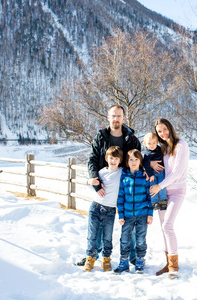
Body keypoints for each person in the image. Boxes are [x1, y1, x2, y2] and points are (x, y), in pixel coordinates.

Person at [76, 104, 141, 267]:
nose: (116, 119)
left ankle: (132, 256)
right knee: (97, 226)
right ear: (108, 117)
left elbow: (138, 161)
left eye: (119, 116)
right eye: (113, 116)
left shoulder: (131, 139)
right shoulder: (101, 137)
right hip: (104, 187)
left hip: (126, 188)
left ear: (123, 118)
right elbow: (92, 159)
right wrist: (94, 180)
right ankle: (93, 255)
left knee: (129, 222)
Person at [149, 118, 189, 279]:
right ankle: (168, 263)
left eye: (164, 129)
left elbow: (177, 172)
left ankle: (173, 266)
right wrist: (150, 164)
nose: (163, 133)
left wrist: (160, 185)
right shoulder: (163, 148)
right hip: (162, 194)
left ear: (170, 128)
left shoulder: (181, 145)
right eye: (159, 131)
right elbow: (149, 157)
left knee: (168, 225)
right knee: (163, 227)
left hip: (177, 191)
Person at [82, 146, 123, 272]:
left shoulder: (122, 172)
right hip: (96, 207)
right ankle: (90, 258)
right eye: (111, 158)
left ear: (120, 160)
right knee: (92, 235)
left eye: (116, 158)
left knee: (107, 237)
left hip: (110, 210)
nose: (113, 161)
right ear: (106, 158)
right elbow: (90, 184)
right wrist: (90, 182)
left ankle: (106, 258)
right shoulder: (101, 172)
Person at [114, 149, 154, 274]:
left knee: (140, 238)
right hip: (127, 215)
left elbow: (150, 197)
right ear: (127, 161)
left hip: (142, 214)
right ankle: (124, 261)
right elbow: (120, 197)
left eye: (136, 159)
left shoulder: (145, 176)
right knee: (124, 239)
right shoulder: (124, 177)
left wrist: (150, 214)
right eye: (131, 159)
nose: (133, 162)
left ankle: (140, 260)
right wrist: (121, 214)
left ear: (140, 161)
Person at [142, 132, 167, 210]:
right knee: (152, 187)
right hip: (152, 174)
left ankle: (163, 200)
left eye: (154, 143)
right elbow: (145, 165)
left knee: (162, 186)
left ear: (157, 143)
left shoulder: (160, 149)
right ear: (145, 144)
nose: (152, 145)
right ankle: (154, 202)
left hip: (161, 172)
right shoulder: (146, 154)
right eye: (149, 143)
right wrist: (150, 175)